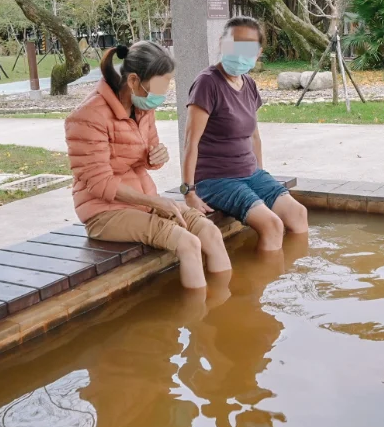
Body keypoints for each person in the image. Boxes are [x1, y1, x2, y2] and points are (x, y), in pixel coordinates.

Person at [65, 42, 231, 289]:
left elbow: (145, 152)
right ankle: (201, 319)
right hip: (104, 212)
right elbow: (99, 182)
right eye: (159, 86)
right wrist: (155, 203)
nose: (162, 94)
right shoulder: (87, 117)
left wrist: (156, 157)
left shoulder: (142, 108)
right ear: (133, 81)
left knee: (209, 232)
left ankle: (228, 307)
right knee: (188, 243)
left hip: (143, 201)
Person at [180, 17, 309, 251]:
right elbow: (191, 141)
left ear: (258, 52)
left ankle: (289, 273)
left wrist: (260, 175)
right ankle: (262, 284)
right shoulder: (207, 83)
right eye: (234, 43)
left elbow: (254, 136)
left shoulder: (248, 83)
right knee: (272, 226)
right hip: (216, 179)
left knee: (298, 213)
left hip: (250, 174)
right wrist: (188, 192)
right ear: (222, 44)